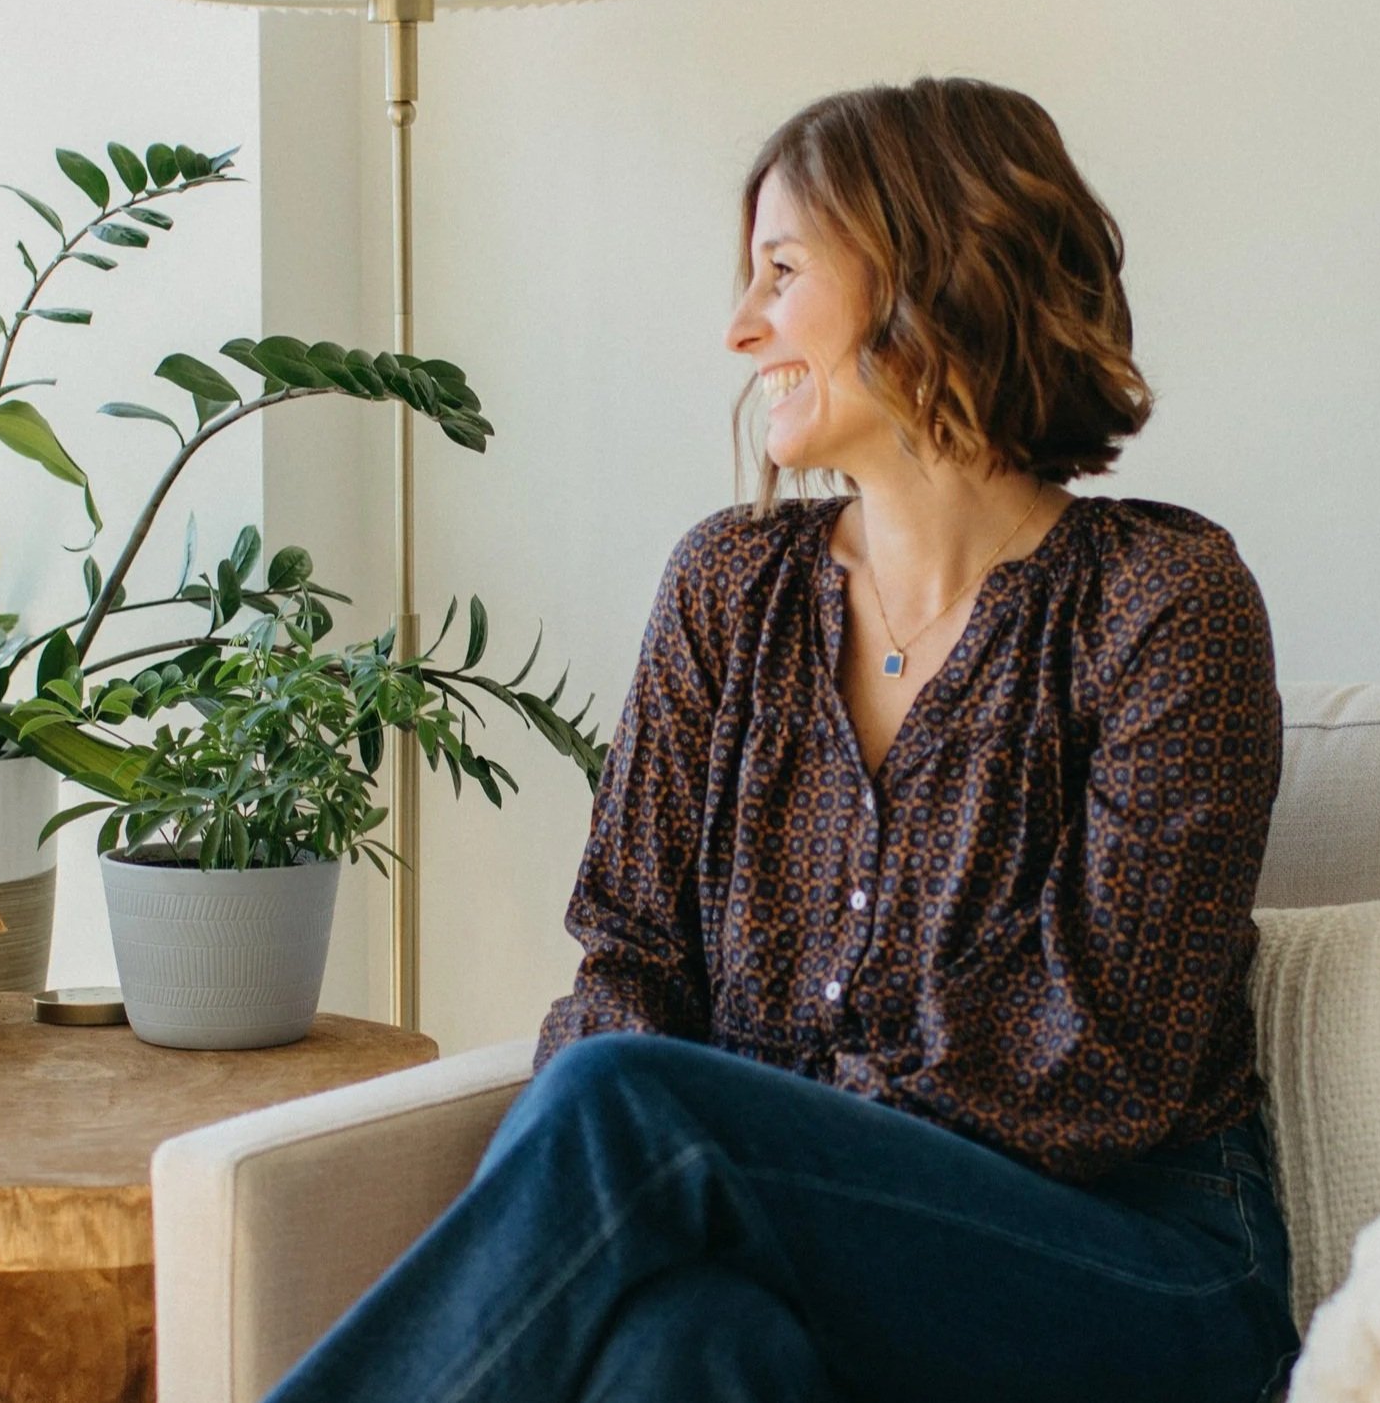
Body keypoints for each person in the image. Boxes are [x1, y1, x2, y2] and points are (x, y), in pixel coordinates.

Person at [266, 77, 1297, 1403]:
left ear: (928, 274)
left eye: (781, 271)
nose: (742, 327)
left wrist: (768, 1143)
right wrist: (755, 1174)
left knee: (629, 1111)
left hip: (1133, 1266)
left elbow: (1099, 1057)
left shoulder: (1163, 602)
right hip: (795, 1243)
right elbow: (629, 958)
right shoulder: (728, 588)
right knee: (685, 1347)